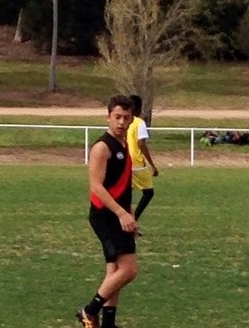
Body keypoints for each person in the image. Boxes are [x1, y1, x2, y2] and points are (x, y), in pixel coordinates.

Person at [76, 95, 139, 328]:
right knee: (129, 270)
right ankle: (89, 310)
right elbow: (96, 186)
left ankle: (108, 323)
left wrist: (130, 214)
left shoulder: (124, 145)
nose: (121, 122)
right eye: (117, 117)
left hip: (120, 215)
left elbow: (125, 185)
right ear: (108, 117)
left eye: (126, 118)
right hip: (106, 215)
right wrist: (121, 214)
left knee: (114, 269)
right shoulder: (102, 147)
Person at [127, 95, 159, 226]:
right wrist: (152, 165)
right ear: (138, 108)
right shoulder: (139, 123)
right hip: (137, 164)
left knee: (126, 195)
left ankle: (124, 222)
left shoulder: (125, 121)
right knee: (148, 192)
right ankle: (132, 221)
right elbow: (141, 143)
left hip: (125, 162)